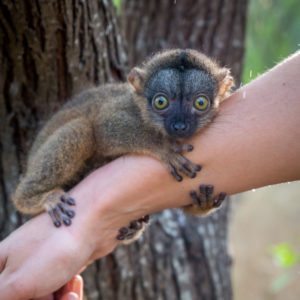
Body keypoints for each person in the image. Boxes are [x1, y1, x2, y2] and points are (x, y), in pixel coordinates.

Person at [0, 50, 299, 300]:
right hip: (70, 160)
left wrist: (200, 204)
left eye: (199, 104)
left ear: (224, 89)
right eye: (161, 104)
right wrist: (158, 148)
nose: (181, 122)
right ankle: (36, 193)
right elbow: (104, 131)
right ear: (138, 87)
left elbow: (164, 187)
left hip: (87, 208)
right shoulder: (128, 117)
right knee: (81, 133)